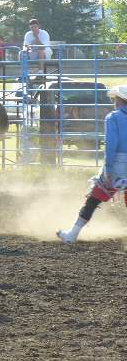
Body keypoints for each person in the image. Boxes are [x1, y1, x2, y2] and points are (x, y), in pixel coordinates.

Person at [57, 85, 127, 244]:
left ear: (119, 100)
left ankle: (71, 235)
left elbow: (111, 146)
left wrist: (108, 169)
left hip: (118, 164)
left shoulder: (113, 117)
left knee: (93, 199)